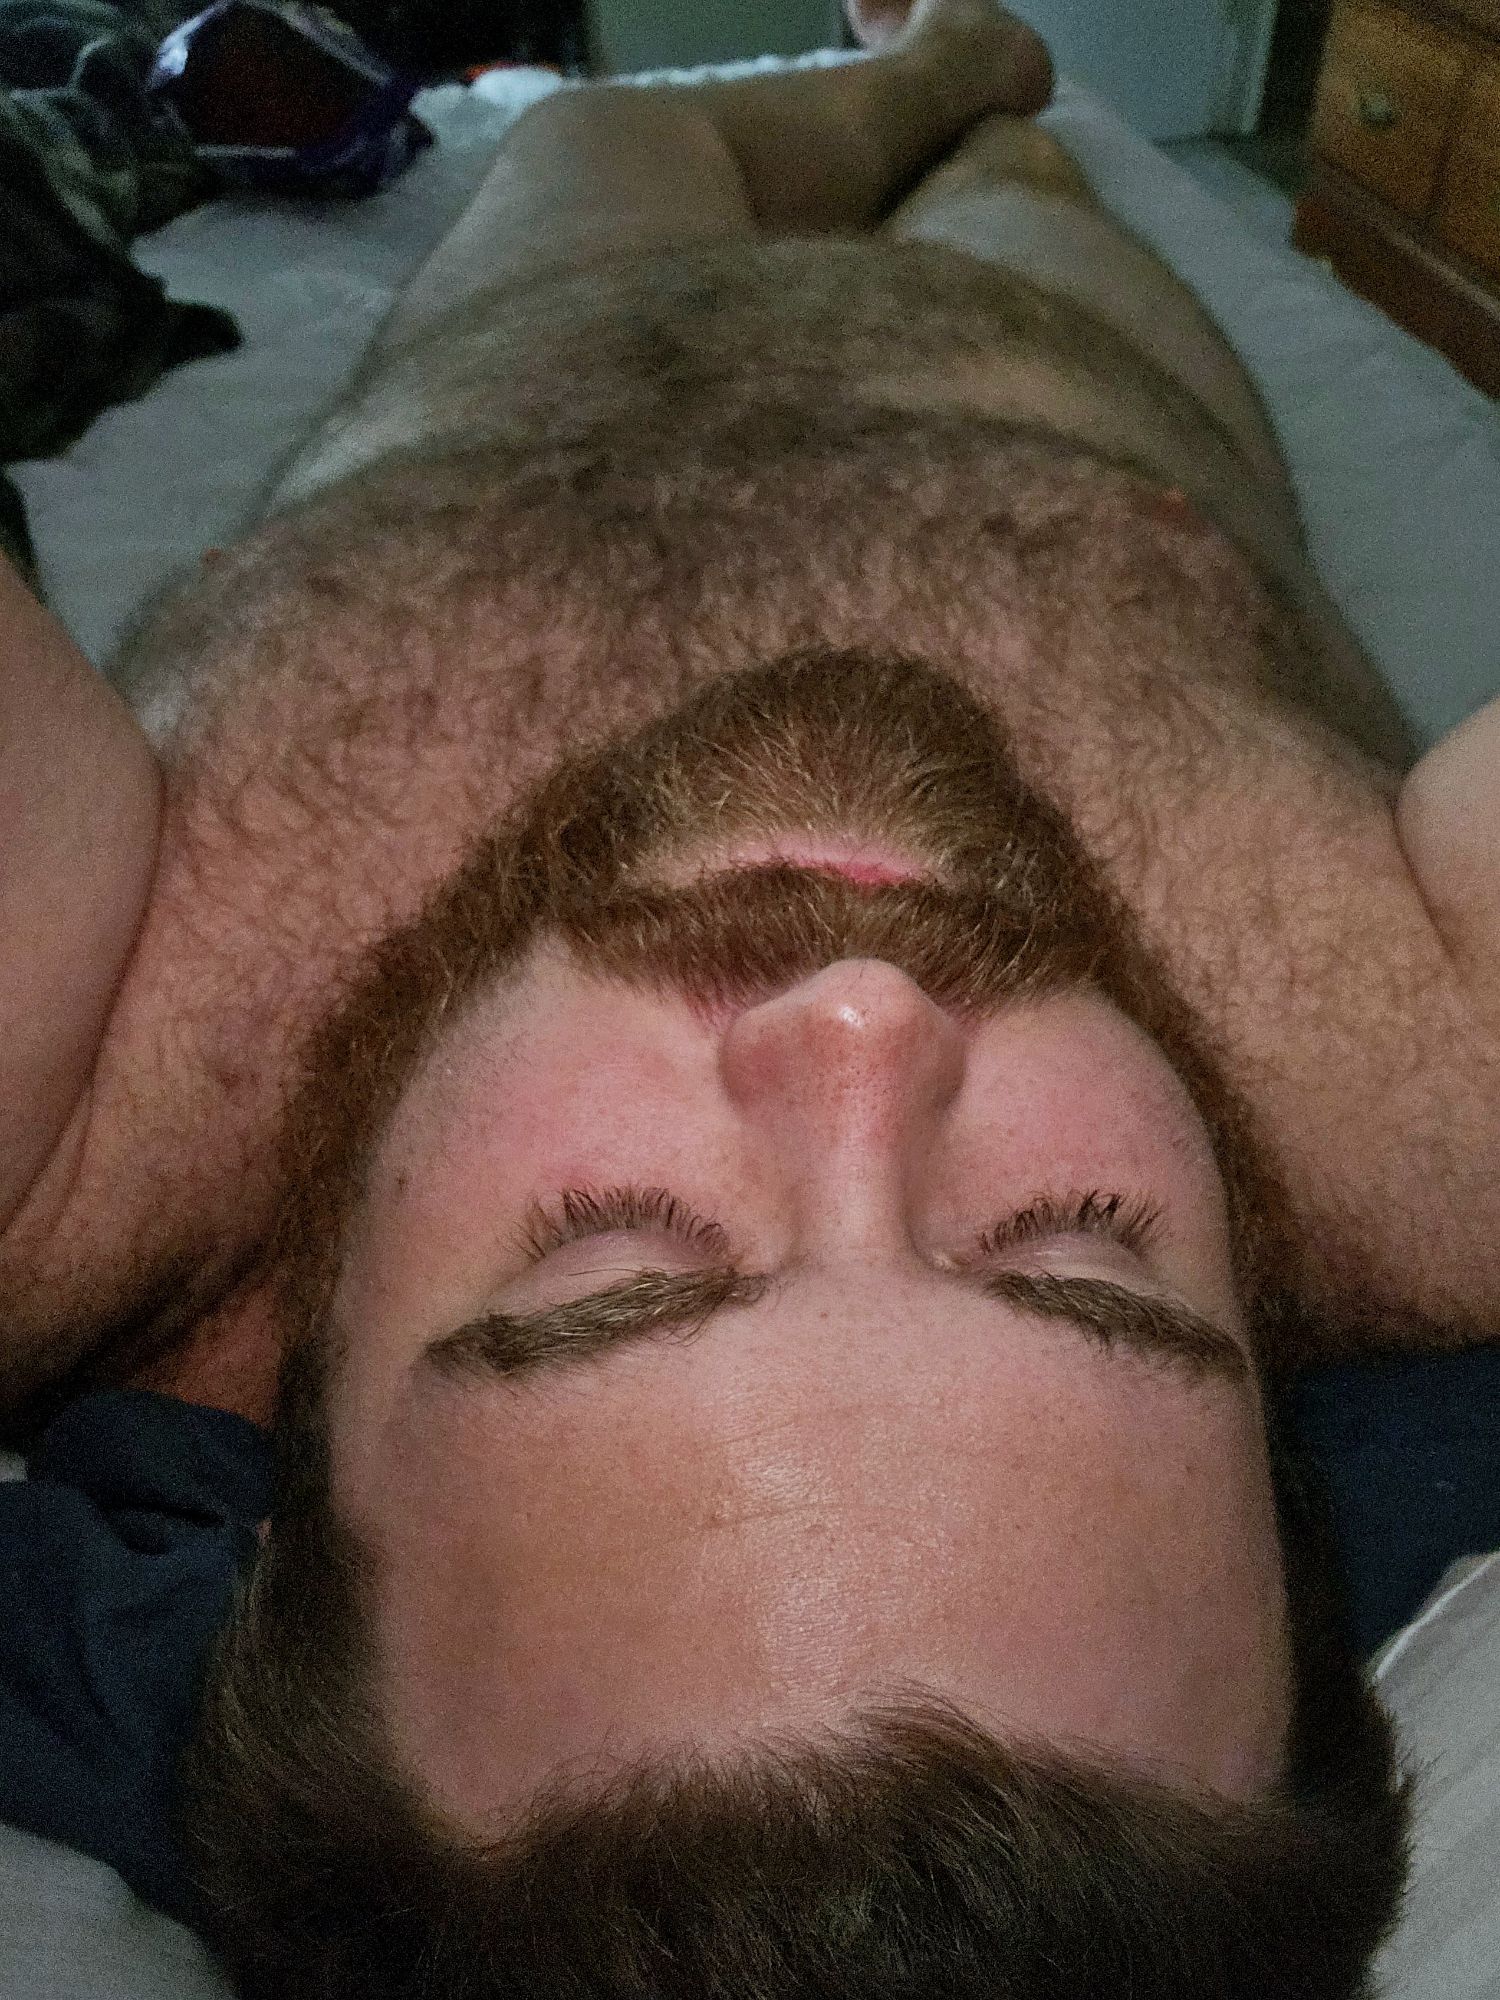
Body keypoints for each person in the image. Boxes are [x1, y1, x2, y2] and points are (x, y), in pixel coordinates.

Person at [2, 0, 1499, 1991]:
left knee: (612, 137)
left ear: (278, 1486)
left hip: (548, 332)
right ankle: (956, 67)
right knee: (1019, 157)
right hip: (1047, 353)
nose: (863, 1026)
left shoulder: (61, 1149)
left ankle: (913, 63)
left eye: (615, 1252)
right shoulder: (1443, 1109)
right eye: (1082, 1249)